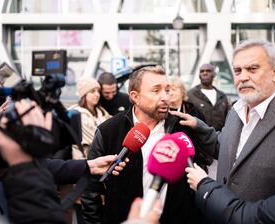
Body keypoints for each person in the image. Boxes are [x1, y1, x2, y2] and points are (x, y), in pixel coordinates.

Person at [171, 39, 275, 202]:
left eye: (252, 69)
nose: (243, 77)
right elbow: (225, 149)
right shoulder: (236, 110)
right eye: (237, 71)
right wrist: (198, 126)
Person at [81, 66, 215, 224]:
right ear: (135, 96)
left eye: (167, 89)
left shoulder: (184, 127)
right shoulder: (108, 131)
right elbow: (91, 189)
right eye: (156, 90)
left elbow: (201, 173)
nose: (165, 97)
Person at [69, 77, 111, 159]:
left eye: (98, 91)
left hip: (101, 155)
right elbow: (96, 138)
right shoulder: (78, 114)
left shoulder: (101, 111)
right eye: (92, 91)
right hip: (86, 158)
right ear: (84, 94)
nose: (97, 94)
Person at [187, 63, 230, 131]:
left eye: (208, 71)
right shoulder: (190, 95)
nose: (205, 73)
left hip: (220, 139)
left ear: (214, 74)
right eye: (202, 71)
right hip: (199, 139)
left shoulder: (222, 96)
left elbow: (228, 120)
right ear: (199, 75)